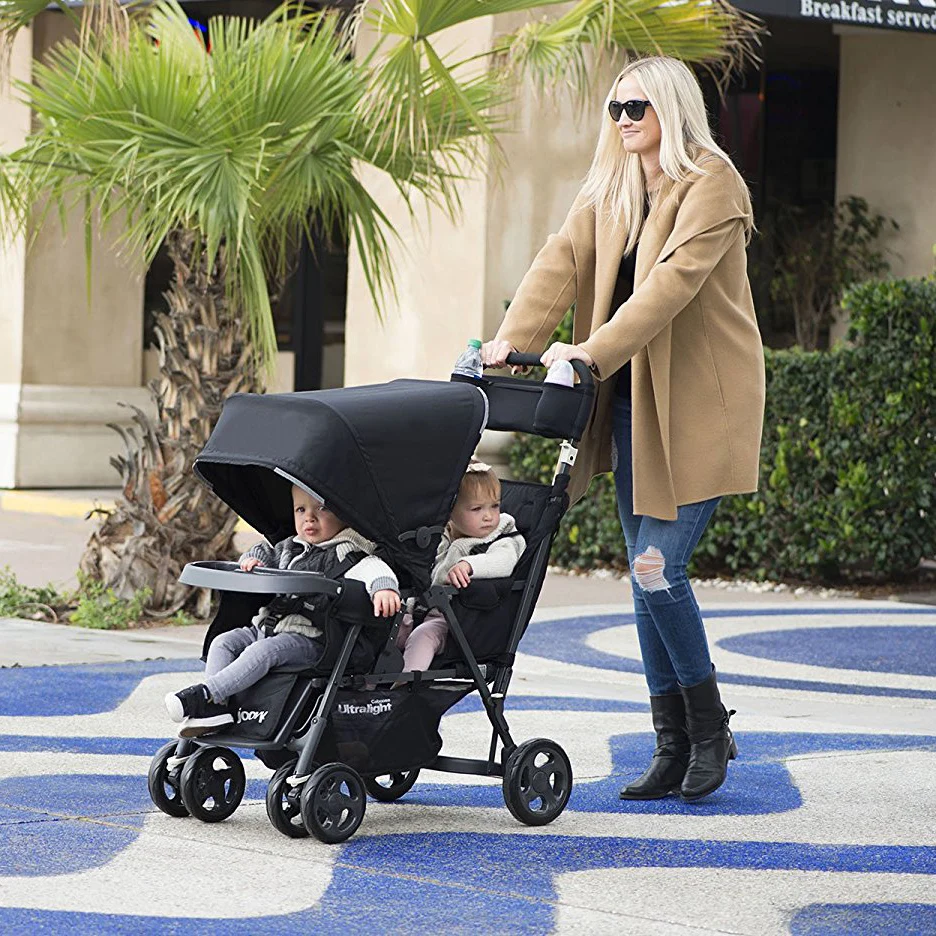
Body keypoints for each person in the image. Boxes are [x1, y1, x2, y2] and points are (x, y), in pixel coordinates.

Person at [482, 56, 765, 803]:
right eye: (615, 108)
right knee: (643, 575)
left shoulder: (713, 184)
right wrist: (512, 340)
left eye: (636, 107)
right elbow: (561, 259)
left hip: (700, 405)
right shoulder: (611, 186)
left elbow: (669, 287)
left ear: (671, 108)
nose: (623, 120)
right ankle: (671, 744)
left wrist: (588, 351)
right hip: (635, 402)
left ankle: (709, 728)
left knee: (656, 567)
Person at [165, 484, 401, 736]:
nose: (309, 518)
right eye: (300, 510)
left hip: (314, 639)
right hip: (269, 627)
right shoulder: (289, 548)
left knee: (263, 651)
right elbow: (263, 551)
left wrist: (384, 588)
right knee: (223, 642)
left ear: (344, 514)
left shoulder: (350, 553)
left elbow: (375, 568)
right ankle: (217, 708)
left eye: (321, 508)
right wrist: (252, 561)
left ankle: (207, 694)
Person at [395, 462, 525, 673]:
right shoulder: (442, 537)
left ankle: (404, 683)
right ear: (450, 511)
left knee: (423, 636)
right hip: (421, 609)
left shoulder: (502, 539)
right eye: (477, 509)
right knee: (387, 627)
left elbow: (503, 561)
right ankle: (367, 684)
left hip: (456, 623)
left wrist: (469, 565)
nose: (488, 516)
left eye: (495, 506)